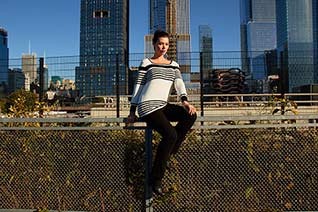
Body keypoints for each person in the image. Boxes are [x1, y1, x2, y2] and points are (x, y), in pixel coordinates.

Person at [127, 29, 197, 195]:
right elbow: (138, 87)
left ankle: (171, 149)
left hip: (162, 105)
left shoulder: (174, 65)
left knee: (191, 115)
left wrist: (184, 101)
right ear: (154, 44)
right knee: (170, 135)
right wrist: (132, 111)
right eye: (160, 43)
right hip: (147, 106)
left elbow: (179, 84)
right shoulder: (146, 63)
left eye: (166, 44)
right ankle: (155, 180)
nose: (163, 47)